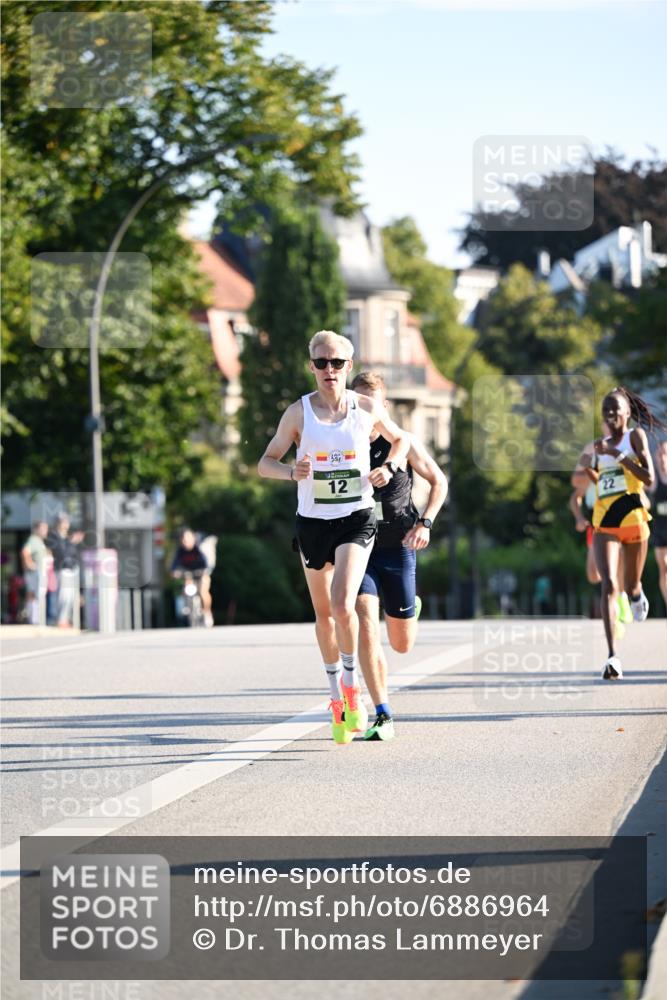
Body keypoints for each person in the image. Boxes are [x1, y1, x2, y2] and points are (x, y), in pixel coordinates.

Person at [258, 330, 408, 745]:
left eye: (337, 363)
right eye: (321, 363)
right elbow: (264, 463)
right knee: (324, 615)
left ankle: (351, 687)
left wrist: (390, 469)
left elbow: (403, 440)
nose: (329, 370)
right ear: (311, 366)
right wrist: (292, 472)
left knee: (345, 603)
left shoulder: (365, 408)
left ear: (349, 365)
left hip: (355, 518)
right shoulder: (298, 414)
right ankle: (336, 697)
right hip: (312, 522)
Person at [351, 371, 448, 741]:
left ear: (384, 407)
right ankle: (381, 711)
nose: (363, 409)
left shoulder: (403, 444)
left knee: (402, 644)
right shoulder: (344, 443)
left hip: (400, 546)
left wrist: (425, 522)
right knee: (364, 622)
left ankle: (410, 606)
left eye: (370, 403)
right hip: (359, 546)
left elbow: (439, 481)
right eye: (357, 402)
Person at [577, 386, 667, 679]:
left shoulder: (634, 438)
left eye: (616, 409)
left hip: (634, 521)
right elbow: (590, 474)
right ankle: (612, 656)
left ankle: (638, 594)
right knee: (609, 586)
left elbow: (649, 476)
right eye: (606, 410)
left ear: (627, 413)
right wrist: (593, 466)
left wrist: (617, 456)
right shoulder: (598, 445)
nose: (611, 414)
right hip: (605, 523)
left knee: (630, 586)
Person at [47, 513, 84, 629]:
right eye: (64, 521)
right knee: (63, 596)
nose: (67, 524)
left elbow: (72, 553)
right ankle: (61, 619)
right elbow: (61, 553)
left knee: (70, 597)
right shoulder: (54, 536)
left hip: (71, 569)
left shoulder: (65, 537)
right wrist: (71, 542)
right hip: (62, 569)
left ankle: (66, 619)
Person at [170, 528, 213, 626]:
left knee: (203, 591)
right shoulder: (180, 550)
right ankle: (187, 605)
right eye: (183, 540)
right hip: (189, 574)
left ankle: (207, 612)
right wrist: (174, 572)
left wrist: (205, 570)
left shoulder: (199, 548)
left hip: (201, 573)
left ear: (193, 538)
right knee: (186, 587)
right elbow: (174, 564)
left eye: (187, 539)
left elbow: (206, 563)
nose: (185, 542)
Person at [648, 440, 667, 614]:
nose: (662, 457)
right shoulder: (654, 479)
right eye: (659, 454)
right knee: (664, 567)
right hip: (660, 528)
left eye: (665, 454)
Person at [20, 521, 49, 625]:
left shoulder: (39, 541)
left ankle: (37, 619)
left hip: (40, 572)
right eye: (43, 528)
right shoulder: (33, 540)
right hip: (34, 573)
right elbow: (25, 551)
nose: (45, 531)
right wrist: (30, 564)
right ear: (36, 529)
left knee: (38, 594)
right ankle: (33, 619)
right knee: (33, 594)